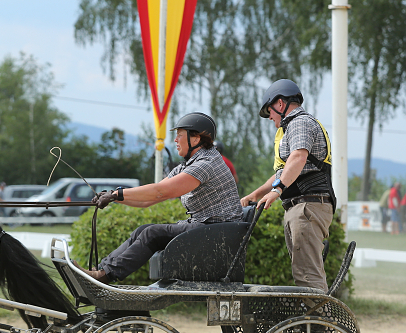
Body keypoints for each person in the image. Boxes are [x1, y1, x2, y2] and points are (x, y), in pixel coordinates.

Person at [80, 112, 242, 283]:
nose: (175, 140)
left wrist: (117, 193)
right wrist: (115, 198)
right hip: (207, 228)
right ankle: (99, 270)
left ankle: (104, 276)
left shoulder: (205, 164)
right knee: (142, 230)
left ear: (195, 139)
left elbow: (160, 191)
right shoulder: (188, 165)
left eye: (179, 135)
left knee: (152, 233)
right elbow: (149, 200)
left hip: (218, 232)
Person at [240, 79, 336, 293]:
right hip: (302, 207)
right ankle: (315, 322)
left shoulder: (299, 123)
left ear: (281, 104)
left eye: (270, 111)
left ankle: (318, 324)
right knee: (304, 272)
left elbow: (299, 158)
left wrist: (277, 190)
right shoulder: (292, 126)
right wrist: (255, 194)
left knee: (308, 276)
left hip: (307, 206)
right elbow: (283, 171)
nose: (270, 117)